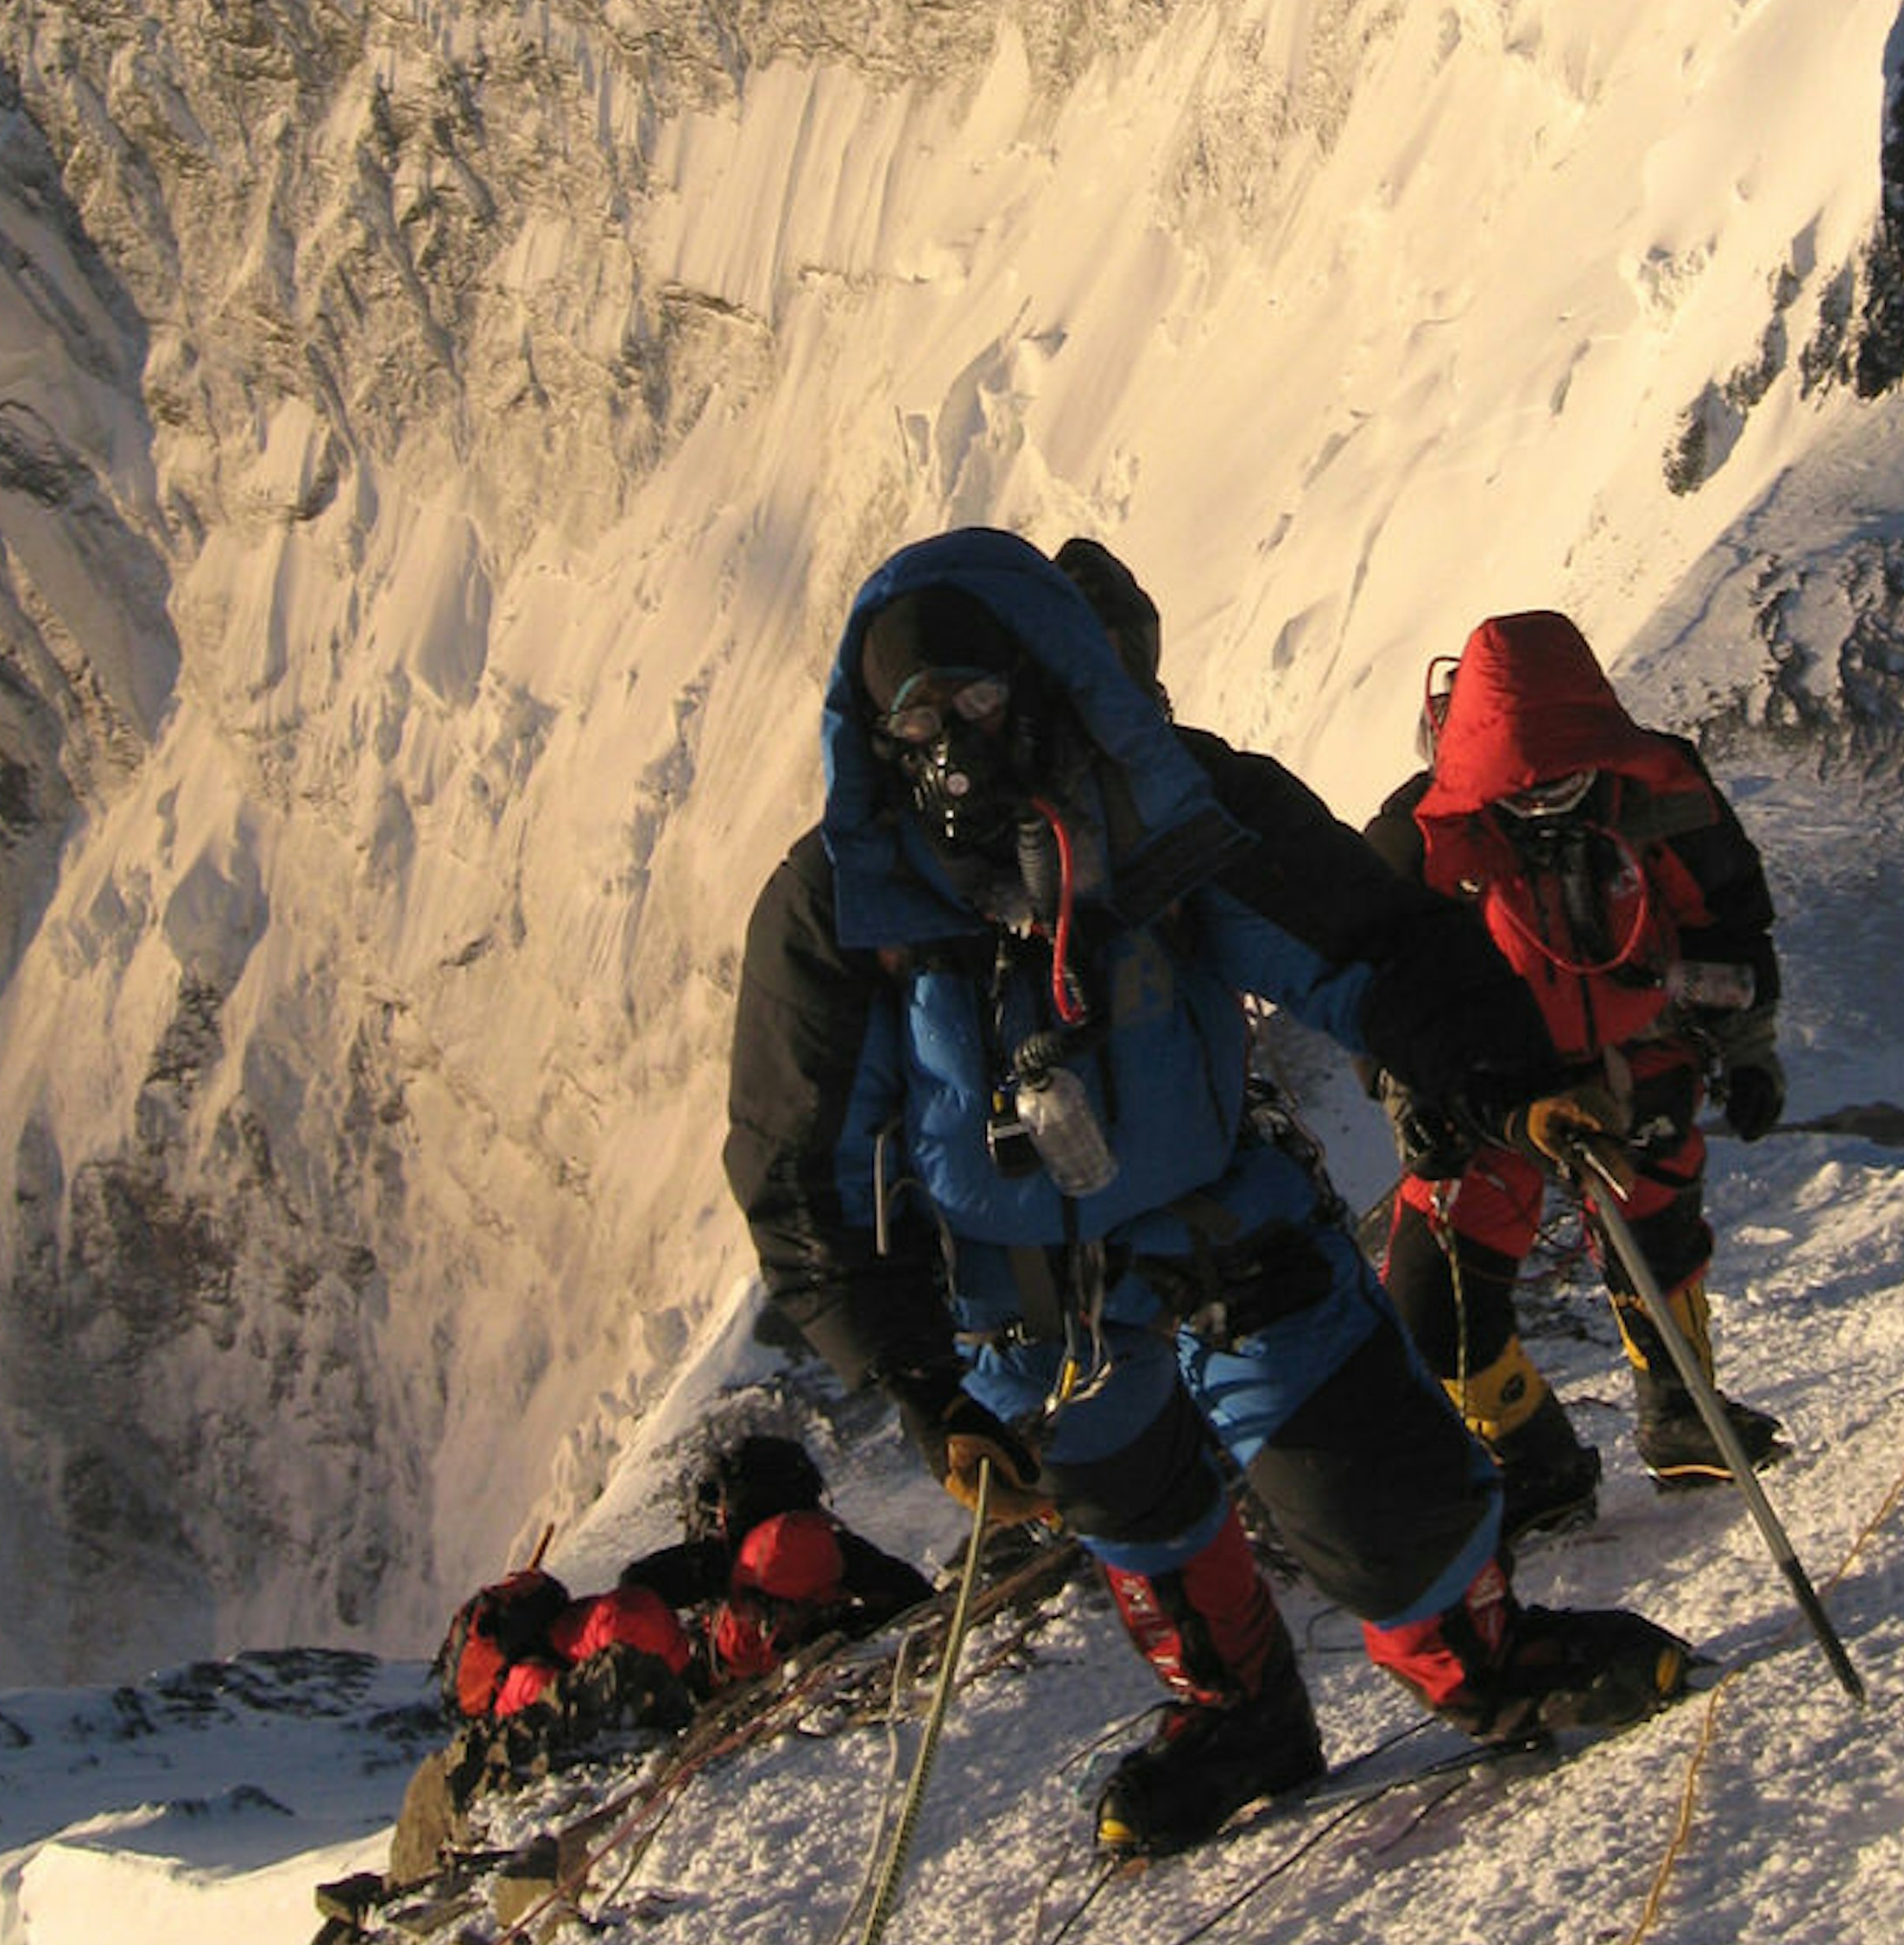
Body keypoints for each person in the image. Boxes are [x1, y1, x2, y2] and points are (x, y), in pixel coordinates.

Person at [719, 530, 1699, 1857]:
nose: (951, 740)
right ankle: (1238, 1715)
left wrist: (1506, 1080)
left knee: (1366, 1473)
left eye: (979, 699)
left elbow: (1369, 952)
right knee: (1130, 1509)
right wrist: (924, 1390)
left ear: (1048, 678)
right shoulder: (844, 903)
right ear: (873, 727)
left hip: (1212, 1222)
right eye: (918, 714)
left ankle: (1485, 1657)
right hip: (1023, 1307)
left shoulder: (1166, 812)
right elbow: (805, 1174)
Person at [1369, 609, 1789, 1526]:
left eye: (1564, 774)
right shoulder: (1420, 837)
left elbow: (1730, 925)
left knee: (1663, 1244)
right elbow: (1374, 984)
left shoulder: (1661, 797)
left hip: (1640, 1058)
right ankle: (1535, 1460)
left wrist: (1748, 1049)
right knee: (1435, 1302)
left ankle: (1681, 1417)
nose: (1546, 793)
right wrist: (1412, 1093)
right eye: (1524, 781)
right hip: (1494, 1094)